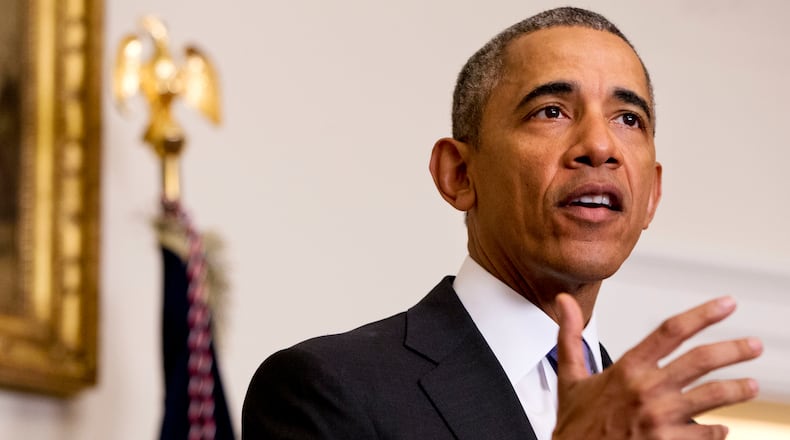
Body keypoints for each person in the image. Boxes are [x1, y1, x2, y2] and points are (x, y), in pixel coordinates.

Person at [242, 7, 762, 439]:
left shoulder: (663, 430)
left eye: (629, 119)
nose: (601, 147)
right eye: (551, 111)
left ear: (652, 197)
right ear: (460, 174)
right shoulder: (329, 389)